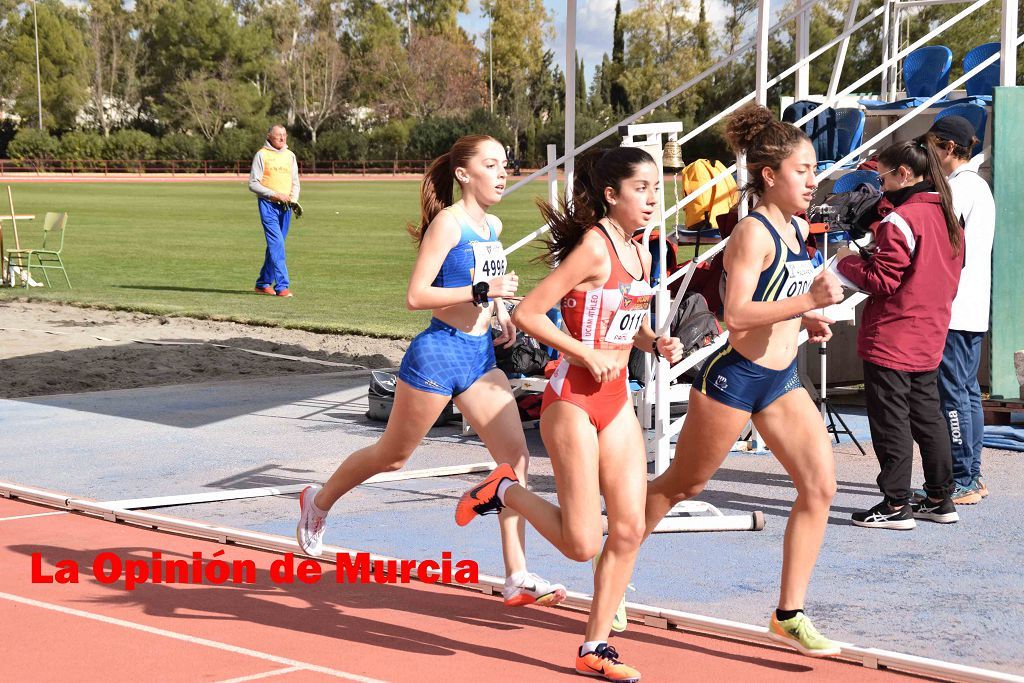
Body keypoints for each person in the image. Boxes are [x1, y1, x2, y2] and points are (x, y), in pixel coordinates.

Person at [295, 134, 565, 609]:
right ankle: (318, 501)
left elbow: (482, 291)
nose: (503, 173)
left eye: (506, 164)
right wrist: (482, 291)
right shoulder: (448, 223)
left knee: (515, 461)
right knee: (393, 455)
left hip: (480, 356)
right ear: (464, 174)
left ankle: (517, 574)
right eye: (491, 165)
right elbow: (417, 295)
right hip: (438, 354)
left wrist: (499, 313)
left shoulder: (493, 225)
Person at [456, 146, 683, 682]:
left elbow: (624, 326)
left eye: (656, 188)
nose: (652, 199)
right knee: (583, 543)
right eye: (641, 189)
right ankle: (502, 491)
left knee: (628, 530)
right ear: (611, 194)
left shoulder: (641, 255)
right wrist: (583, 354)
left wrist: (653, 341)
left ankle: (595, 647)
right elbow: (528, 313)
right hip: (571, 403)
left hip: (616, 403)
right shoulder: (594, 249)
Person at [641, 103, 845, 658]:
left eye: (815, 168)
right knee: (682, 486)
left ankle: (789, 614)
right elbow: (736, 315)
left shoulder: (796, 226)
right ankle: (615, 558)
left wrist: (807, 318)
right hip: (735, 378)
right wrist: (808, 300)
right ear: (769, 176)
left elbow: (777, 295)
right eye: (802, 170)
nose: (813, 179)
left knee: (820, 486)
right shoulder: (751, 233)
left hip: (780, 380)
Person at [837, 136, 965, 529]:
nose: (882, 185)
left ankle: (894, 504)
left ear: (904, 173)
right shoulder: (949, 215)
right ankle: (941, 498)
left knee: (891, 420)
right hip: (930, 330)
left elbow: (881, 280)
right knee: (928, 417)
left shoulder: (901, 220)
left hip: (892, 334)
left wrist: (846, 263)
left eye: (885, 177)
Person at [918, 116, 994, 505]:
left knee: (954, 396)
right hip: (968, 306)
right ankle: (969, 474)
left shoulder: (960, 188)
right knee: (964, 393)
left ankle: (964, 476)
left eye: (931, 145)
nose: (926, 153)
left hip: (955, 307)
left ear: (948, 148)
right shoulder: (971, 185)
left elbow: (936, 239)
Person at [249, 124, 300, 298]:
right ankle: (282, 286)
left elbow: (295, 181)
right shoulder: (262, 155)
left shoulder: (290, 155)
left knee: (276, 245)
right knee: (277, 244)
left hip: (286, 207)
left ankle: (263, 283)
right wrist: (274, 194)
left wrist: (293, 200)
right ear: (269, 135)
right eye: (278, 135)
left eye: (284, 135)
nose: (282, 138)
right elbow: (253, 184)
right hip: (268, 204)